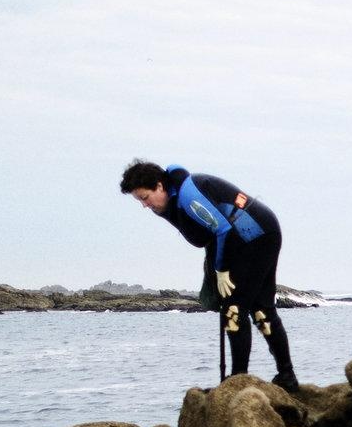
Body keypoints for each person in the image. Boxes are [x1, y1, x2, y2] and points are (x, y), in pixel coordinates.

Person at [120, 159, 299, 393]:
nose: (145, 205)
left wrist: (222, 269)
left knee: (235, 310)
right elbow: (209, 235)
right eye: (139, 201)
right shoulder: (170, 200)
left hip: (254, 235)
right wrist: (215, 268)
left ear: (160, 186)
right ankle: (286, 377)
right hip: (255, 235)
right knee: (259, 309)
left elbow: (222, 229)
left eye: (145, 197)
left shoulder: (188, 195)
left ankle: (239, 382)